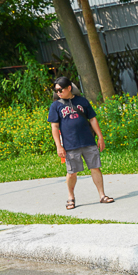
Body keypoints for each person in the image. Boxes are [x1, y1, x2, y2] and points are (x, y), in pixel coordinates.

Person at [48, 76, 114, 210]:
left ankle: (102, 195)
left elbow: (93, 120)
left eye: (60, 89)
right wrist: (58, 146)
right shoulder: (56, 106)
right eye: (56, 90)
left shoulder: (82, 101)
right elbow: (54, 127)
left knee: (95, 168)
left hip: (88, 141)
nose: (58, 92)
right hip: (70, 145)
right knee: (72, 172)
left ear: (69, 88)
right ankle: (71, 197)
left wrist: (100, 137)